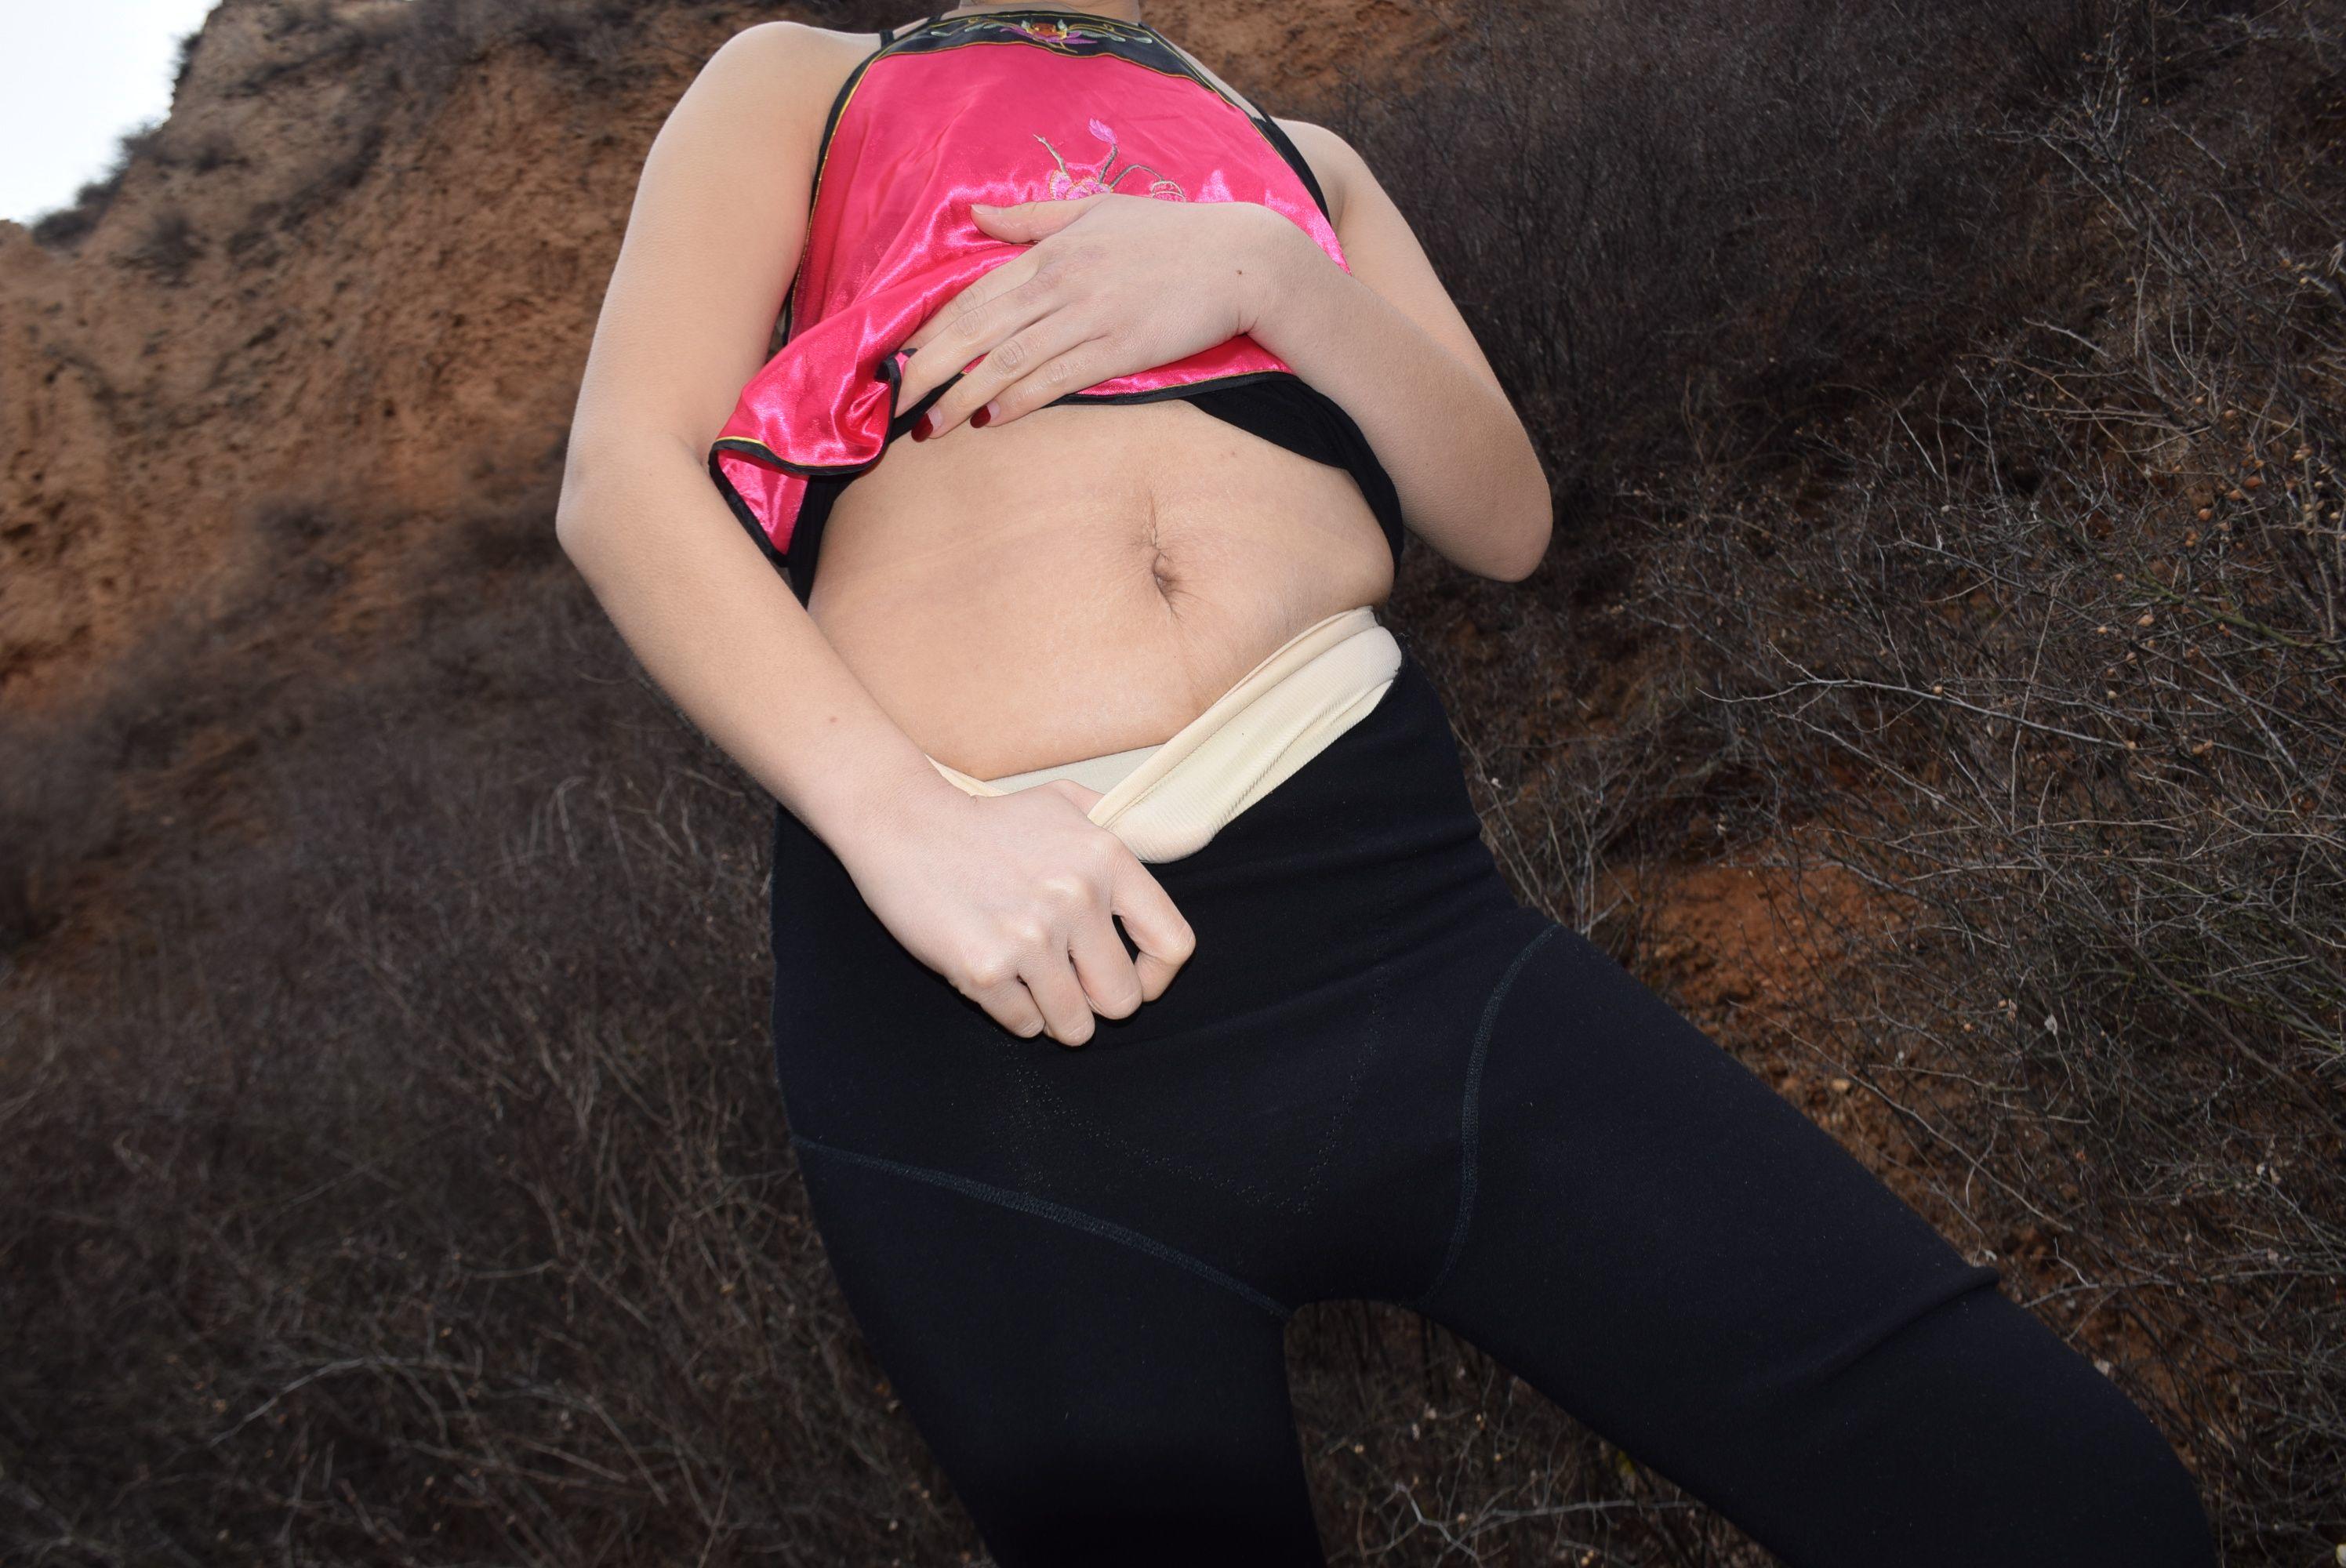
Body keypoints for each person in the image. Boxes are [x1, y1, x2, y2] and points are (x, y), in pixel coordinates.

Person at [554, 3, 2222, 1563]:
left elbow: (1504, 519)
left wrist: (1268, 275)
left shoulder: (1309, 166)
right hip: (987, 1005)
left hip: (1389, 918)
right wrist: (900, 824)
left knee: (2068, 1503)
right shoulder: (801, 85)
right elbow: (622, 479)